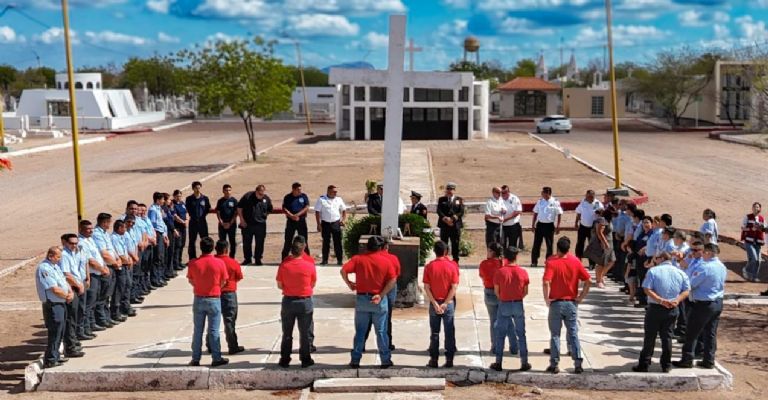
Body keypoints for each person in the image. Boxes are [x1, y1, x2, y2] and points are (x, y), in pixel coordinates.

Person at [341, 235, 397, 369]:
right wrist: (381, 294)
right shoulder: (386, 261)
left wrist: (349, 284)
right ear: (380, 248)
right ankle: (385, 360)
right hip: (378, 299)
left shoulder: (358, 259)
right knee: (381, 331)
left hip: (362, 299)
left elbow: (343, 270)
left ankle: (355, 359)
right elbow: (393, 280)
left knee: (360, 331)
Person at [632, 252, 690, 373]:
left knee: (650, 337)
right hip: (672, 308)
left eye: (656, 258)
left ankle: (644, 364)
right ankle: (666, 365)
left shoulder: (653, 271)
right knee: (667, 337)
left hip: (656, 308)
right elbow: (687, 290)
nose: (655, 260)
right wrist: (677, 300)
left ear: (661, 259)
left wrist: (660, 300)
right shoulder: (680, 272)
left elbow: (647, 288)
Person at [673, 243, 727, 369]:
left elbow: (691, 284)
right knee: (710, 333)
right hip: (717, 302)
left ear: (708, 253)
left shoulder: (704, 267)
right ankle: (709, 360)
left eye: (703, 252)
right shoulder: (721, 266)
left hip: (703, 304)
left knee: (692, 332)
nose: (701, 255)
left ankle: (687, 359)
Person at [543, 236, 591, 374]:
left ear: (557, 248)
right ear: (568, 249)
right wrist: (581, 297)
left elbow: (546, 282)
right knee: (573, 333)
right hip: (571, 302)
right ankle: (578, 363)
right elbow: (588, 281)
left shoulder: (551, 262)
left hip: (556, 303)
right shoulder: (575, 261)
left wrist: (547, 298)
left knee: (555, 334)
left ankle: (554, 364)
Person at [186, 237, 229, 367]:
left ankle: (195, 358)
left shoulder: (194, 263)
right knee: (213, 330)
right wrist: (216, 288)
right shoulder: (219, 263)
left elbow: (191, 280)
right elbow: (224, 281)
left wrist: (199, 286)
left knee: (198, 330)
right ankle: (216, 357)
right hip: (214, 297)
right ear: (212, 248)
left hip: (199, 297)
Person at [276, 236, 317, 368]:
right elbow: (313, 283)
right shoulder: (309, 265)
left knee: (287, 332)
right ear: (303, 249)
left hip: (288, 301)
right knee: (305, 333)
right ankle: (305, 359)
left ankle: (285, 358)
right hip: (304, 301)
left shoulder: (284, 265)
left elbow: (279, 285)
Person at [489, 246, 531, 372]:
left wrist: (504, 297)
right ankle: (524, 362)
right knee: (521, 334)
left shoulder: (500, 272)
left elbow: (497, 291)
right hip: (518, 303)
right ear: (516, 256)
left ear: (505, 257)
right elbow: (525, 291)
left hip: (504, 303)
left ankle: (498, 362)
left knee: (500, 334)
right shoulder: (523, 272)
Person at [423, 241, 460, 368]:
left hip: (434, 303)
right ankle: (449, 360)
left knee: (434, 333)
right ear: (446, 251)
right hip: (447, 303)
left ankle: (434, 360)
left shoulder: (429, 267)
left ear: (434, 251)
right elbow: (454, 287)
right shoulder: (452, 266)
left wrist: (434, 303)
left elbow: (427, 287)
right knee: (449, 331)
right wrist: (445, 303)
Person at [478, 242, 517, 357]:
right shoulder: (504, 263)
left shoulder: (484, 264)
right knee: (509, 320)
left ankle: (496, 347)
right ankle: (514, 346)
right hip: (504, 293)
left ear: (492, 252)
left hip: (490, 292)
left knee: (494, 321)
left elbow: (481, 276)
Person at [36, 247, 73, 368]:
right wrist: (67, 295)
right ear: (51, 255)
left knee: (60, 331)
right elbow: (54, 288)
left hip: (60, 303)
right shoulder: (44, 268)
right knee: (55, 331)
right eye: (58, 257)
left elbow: (64, 282)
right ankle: (51, 359)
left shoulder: (55, 267)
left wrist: (70, 292)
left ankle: (55, 355)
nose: (59, 259)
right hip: (52, 304)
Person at [79, 220, 110, 334]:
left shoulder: (90, 240)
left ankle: (92, 324)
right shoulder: (81, 243)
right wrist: (102, 269)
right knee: (89, 303)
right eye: (88, 229)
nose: (91, 230)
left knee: (94, 300)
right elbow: (90, 261)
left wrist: (104, 266)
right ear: (81, 229)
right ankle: (86, 328)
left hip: (98, 273)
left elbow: (98, 256)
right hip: (92, 274)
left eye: (91, 228)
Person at [214, 240, 245, 354]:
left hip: (214, 293)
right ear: (226, 250)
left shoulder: (213, 261)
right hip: (229, 293)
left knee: (213, 321)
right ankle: (232, 345)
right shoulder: (232, 262)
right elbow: (239, 277)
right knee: (229, 321)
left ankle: (211, 344)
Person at [58, 234, 87, 355]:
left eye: (76, 243)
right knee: (70, 319)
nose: (74, 245)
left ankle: (74, 341)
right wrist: (78, 285)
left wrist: (84, 281)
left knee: (77, 315)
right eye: (72, 243)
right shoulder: (64, 255)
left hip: (79, 285)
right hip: (72, 288)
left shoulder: (76, 252)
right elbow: (66, 274)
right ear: (66, 243)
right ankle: (70, 347)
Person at [93, 213, 122, 328]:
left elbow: (111, 249)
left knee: (108, 294)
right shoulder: (97, 234)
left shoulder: (105, 233)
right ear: (104, 222)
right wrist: (115, 263)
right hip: (106, 267)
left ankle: (106, 316)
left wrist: (118, 259)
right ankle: (101, 318)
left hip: (112, 265)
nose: (110, 224)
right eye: (108, 222)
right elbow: (103, 253)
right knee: (103, 295)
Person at [237, 185, 273, 266]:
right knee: (246, 243)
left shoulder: (266, 198)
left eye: (262, 194)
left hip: (260, 225)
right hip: (247, 224)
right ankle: (247, 259)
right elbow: (239, 208)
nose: (261, 195)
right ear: (256, 191)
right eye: (259, 194)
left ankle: (258, 259)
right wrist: (242, 220)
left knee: (260, 243)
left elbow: (270, 209)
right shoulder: (248, 196)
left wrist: (264, 215)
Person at [531, 187, 563, 268]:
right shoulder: (540, 201)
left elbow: (559, 213)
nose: (542, 194)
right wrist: (533, 224)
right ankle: (534, 261)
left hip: (549, 226)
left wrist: (558, 226)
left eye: (543, 193)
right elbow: (535, 213)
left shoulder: (555, 202)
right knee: (536, 244)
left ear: (548, 193)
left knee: (549, 245)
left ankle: (548, 262)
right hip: (540, 225)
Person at [110, 220, 136, 322]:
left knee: (127, 286)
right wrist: (127, 261)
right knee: (119, 289)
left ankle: (124, 306)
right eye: (124, 227)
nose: (125, 229)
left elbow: (125, 251)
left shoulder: (121, 237)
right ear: (119, 228)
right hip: (120, 267)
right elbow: (119, 253)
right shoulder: (114, 238)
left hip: (125, 265)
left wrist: (129, 259)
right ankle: (115, 311)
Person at [315, 185, 347, 266]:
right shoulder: (321, 199)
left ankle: (339, 260)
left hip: (336, 223)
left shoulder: (338, 199)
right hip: (325, 223)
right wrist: (318, 224)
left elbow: (344, 210)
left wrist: (343, 220)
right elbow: (317, 212)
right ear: (328, 191)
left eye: (336, 192)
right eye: (334, 191)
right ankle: (325, 260)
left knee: (338, 242)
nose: (335, 193)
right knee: (326, 242)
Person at [281, 182, 311, 261]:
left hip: (301, 221)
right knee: (288, 240)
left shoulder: (303, 196)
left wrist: (297, 215)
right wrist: (291, 216)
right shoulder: (287, 197)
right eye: (298, 189)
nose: (300, 191)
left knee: (304, 240)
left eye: (300, 189)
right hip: (291, 222)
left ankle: (307, 259)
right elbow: (284, 208)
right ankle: (284, 259)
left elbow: (307, 206)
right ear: (293, 189)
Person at [437, 182, 465, 264]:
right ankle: (444, 260)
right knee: (444, 243)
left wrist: (452, 219)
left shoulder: (458, 200)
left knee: (455, 244)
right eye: (448, 189)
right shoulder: (442, 199)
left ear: (454, 190)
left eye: (451, 189)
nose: (449, 191)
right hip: (444, 225)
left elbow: (461, 211)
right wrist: (445, 219)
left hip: (455, 225)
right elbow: (439, 211)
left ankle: (455, 261)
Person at [575, 189, 604, 268]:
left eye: (591, 196)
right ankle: (578, 261)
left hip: (593, 228)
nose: (590, 198)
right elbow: (578, 213)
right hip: (583, 226)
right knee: (580, 244)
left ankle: (592, 263)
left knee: (592, 245)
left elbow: (602, 214)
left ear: (594, 196)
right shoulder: (583, 203)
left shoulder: (598, 204)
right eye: (588, 196)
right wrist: (576, 223)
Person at [586, 209, 615, 288]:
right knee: (601, 263)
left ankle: (601, 276)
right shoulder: (602, 220)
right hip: (603, 244)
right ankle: (598, 281)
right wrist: (605, 243)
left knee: (612, 261)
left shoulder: (609, 220)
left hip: (610, 243)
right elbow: (599, 232)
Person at [148, 192, 170, 287]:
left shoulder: (159, 208)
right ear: (157, 200)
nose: (163, 201)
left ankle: (160, 276)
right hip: (157, 233)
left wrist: (165, 234)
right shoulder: (153, 210)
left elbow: (161, 222)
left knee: (161, 257)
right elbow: (153, 225)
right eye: (162, 199)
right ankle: (155, 279)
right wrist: (156, 236)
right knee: (157, 257)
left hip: (161, 233)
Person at [186, 181, 211, 260]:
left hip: (202, 222)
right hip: (193, 222)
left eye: (199, 188)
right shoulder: (189, 199)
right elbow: (188, 209)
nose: (198, 189)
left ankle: (205, 257)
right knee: (192, 241)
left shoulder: (205, 198)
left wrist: (202, 216)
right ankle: (192, 258)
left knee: (205, 240)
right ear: (193, 189)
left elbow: (207, 209)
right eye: (196, 188)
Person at [741, 202, 765, 282]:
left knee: (758, 260)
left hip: (758, 242)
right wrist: (752, 229)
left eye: (757, 207)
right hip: (749, 241)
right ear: (752, 208)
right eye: (754, 207)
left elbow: (764, 229)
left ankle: (754, 276)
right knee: (754, 258)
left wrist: (762, 228)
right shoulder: (747, 217)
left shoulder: (762, 218)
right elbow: (743, 228)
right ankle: (746, 269)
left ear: (760, 209)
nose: (756, 208)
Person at [216, 184, 239, 259]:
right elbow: (218, 212)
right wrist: (221, 222)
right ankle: (222, 256)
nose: (228, 191)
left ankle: (232, 257)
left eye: (229, 190)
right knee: (222, 242)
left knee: (232, 241)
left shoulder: (234, 201)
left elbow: (236, 213)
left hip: (231, 224)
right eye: (226, 190)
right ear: (223, 191)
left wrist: (230, 223)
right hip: (222, 225)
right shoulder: (220, 201)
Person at [500, 185, 523, 251]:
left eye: (505, 192)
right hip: (502, 226)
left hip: (513, 226)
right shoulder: (499, 199)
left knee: (512, 246)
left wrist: (506, 219)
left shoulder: (514, 198)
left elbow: (518, 211)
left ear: (508, 192)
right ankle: (503, 260)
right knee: (502, 245)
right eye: (502, 192)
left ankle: (512, 261)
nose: (503, 194)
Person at [172, 190, 189, 270]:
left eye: (180, 196)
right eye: (177, 196)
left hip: (183, 227)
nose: (179, 198)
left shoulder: (182, 203)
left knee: (182, 244)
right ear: (174, 196)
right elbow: (175, 216)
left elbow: (186, 213)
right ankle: (175, 263)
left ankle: (179, 261)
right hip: (177, 226)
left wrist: (187, 220)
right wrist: (183, 222)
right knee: (177, 245)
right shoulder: (173, 204)